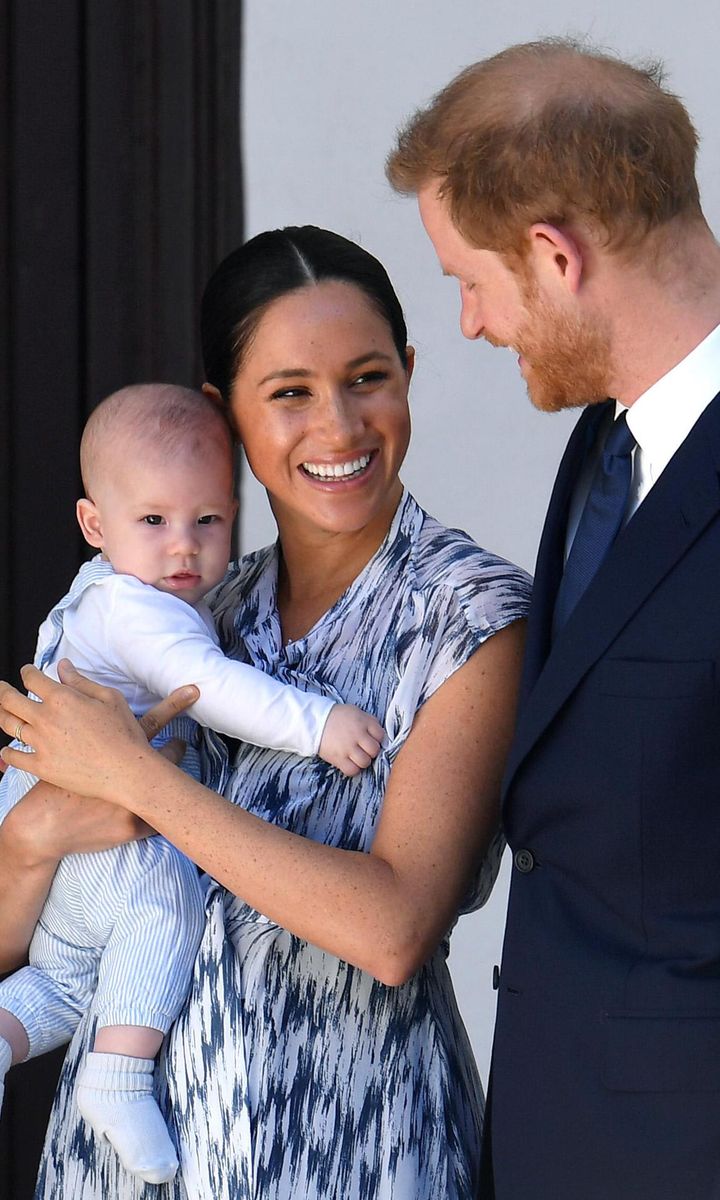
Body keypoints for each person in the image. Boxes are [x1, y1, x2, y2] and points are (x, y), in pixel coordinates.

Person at [0, 226, 529, 1199]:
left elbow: (393, 928)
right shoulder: (176, 614)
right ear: (224, 414)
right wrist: (34, 834)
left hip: (347, 1150)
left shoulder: (469, 618)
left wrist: (136, 779)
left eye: (368, 377)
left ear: (408, 375)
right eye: (289, 392)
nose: (338, 425)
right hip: (122, 1170)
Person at [385, 35, 720, 1200]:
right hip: (556, 1143)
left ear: (553, 254)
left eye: (468, 283)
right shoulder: (602, 447)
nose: (472, 325)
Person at [0, 381, 383, 1186]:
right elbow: (210, 686)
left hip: (57, 822)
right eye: (154, 522)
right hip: (94, 822)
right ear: (95, 526)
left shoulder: (110, 592)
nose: (185, 547)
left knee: (69, 977)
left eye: (207, 521)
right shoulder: (141, 612)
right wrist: (320, 725)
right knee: (169, 893)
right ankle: (119, 1076)